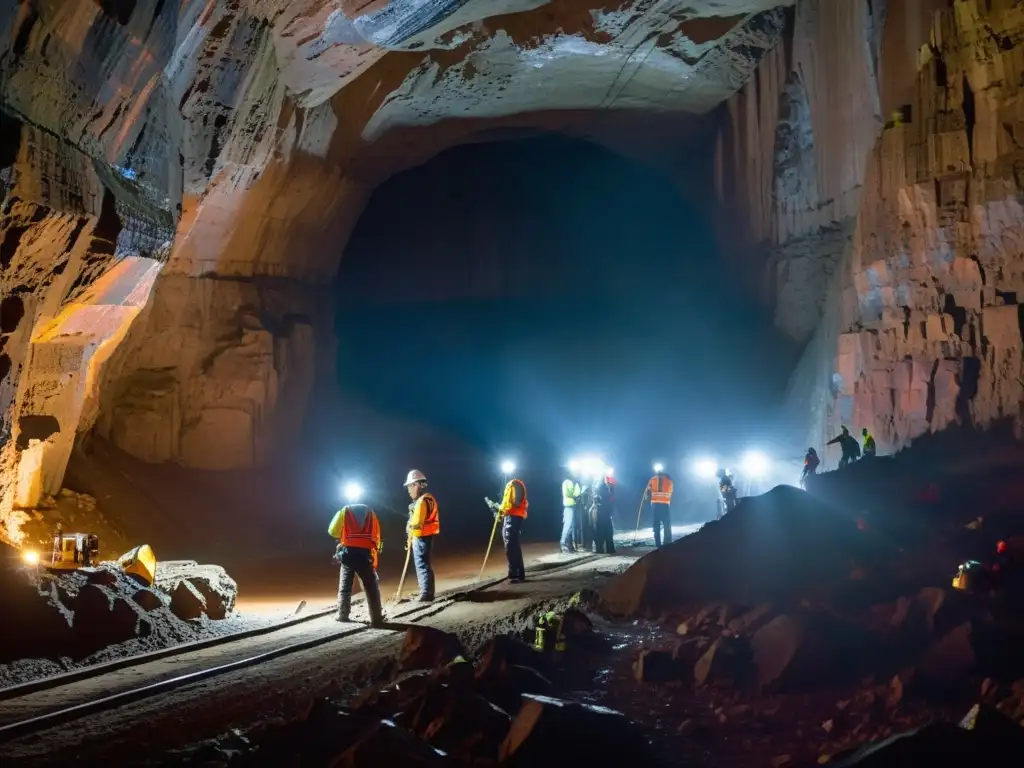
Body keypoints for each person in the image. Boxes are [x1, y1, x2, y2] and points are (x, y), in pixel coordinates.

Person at [327, 501, 384, 626]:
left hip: (348, 554)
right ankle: (376, 618)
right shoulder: (370, 512)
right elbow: (377, 534)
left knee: (345, 586)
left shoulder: (345, 510)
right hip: (365, 554)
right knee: (371, 587)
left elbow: (332, 531)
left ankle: (343, 615)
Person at [404, 469, 439, 602]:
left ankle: (426, 594)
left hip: (421, 536)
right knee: (425, 564)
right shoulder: (429, 498)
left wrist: (409, 527)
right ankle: (427, 591)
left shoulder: (422, 501)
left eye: (409, 486)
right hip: (426, 535)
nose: (408, 490)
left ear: (416, 485)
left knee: (422, 564)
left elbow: (417, 522)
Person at [498, 474, 529, 582]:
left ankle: (515, 573)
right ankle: (516, 573)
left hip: (514, 517)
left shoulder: (516, 484)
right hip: (510, 517)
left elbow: (516, 502)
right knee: (512, 544)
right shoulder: (511, 484)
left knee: (511, 545)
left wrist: (502, 508)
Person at [645, 468, 674, 548]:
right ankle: (667, 543)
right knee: (667, 525)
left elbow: (648, 491)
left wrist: (647, 495)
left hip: (655, 505)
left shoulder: (652, 479)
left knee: (656, 525)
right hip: (665, 505)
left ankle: (658, 544)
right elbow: (671, 491)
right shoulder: (669, 480)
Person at [590, 478, 616, 554]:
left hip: (602, 511)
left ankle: (600, 549)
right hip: (603, 511)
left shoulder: (599, 486)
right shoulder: (603, 487)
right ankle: (608, 549)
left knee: (600, 530)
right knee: (606, 531)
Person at [560, 470, 582, 554]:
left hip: (572, 506)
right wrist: (574, 492)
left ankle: (570, 546)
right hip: (568, 506)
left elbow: (577, 493)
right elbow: (568, 493)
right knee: (568, 526)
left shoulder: (574, 483)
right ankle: (563, 543)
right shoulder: (566, 482)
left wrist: (576, 491)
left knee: (571, 527)